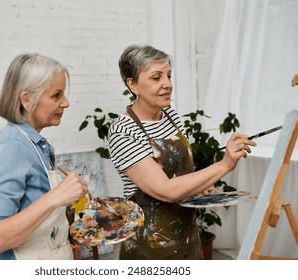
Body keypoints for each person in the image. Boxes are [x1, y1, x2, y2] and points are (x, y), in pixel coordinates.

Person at [108, 44, 256, 260]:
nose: (167, 84)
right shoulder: (123, 131)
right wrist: (224, 165)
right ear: (133, 84)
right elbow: (165, 189)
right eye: (156, 78)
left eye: (169, 76)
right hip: (150, 247)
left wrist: (200, 188)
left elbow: (181, 176)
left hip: (188, 237)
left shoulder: (171, 116)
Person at [0, 53, 88, 260]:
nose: (66, 103)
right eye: (56, 95)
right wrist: (56, 196)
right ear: (26, 99)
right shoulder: (8, 148)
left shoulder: (34, 145)